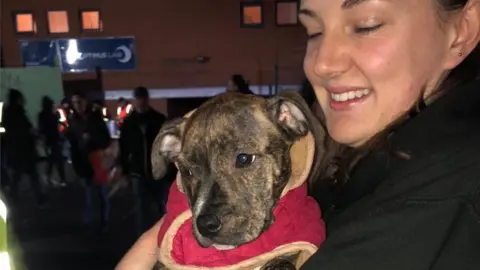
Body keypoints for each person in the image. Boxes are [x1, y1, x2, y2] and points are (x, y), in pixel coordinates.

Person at [116, 0, 480, 269]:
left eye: (366, 25)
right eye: (314, 31)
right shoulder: (349, 161)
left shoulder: (441, 196)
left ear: (462, 29)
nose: (321, 63)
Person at [119, 86, 175, 237]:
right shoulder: (129, 122)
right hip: (139, 172)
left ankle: (163, 238)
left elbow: (167, 145)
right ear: (135, 100)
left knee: (162, 208)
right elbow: (124, 147)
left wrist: (169, 170)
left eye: (143, 98)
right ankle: (144, 240)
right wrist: (124, 170)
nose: (140, 102)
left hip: (158, 172)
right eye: (138, 98)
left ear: (147, 99)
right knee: (142, 210)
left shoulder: (158, 119)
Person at [65, 92, 111, 232]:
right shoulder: (73, 120)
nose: (77, 105)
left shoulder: (95, 118)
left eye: (79, 101)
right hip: (84, 162)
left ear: (85, 102)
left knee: (102, 193)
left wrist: (92, 139)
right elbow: (73, 144)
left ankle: (104, 220)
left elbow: (105, 139)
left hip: (97, 160)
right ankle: (90, 221)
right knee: (89, 194)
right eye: (75, 102)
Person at [3, 89, 46, 208]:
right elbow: (22, 130)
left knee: (20, 175)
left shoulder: (9, 114)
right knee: (31, 175)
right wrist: (31, 133)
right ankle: (38, 197)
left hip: (17, 151)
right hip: (22, 151)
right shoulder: (16, 114)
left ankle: (15, 194)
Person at [38, 96, 67, 188]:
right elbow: (54, 127)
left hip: (50, 141)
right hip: (53, 140)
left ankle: (48, 176)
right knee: (57, 160)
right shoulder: (52, 115)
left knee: (52, 160)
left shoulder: (42, 115)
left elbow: (42, 129)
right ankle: (61, 179)